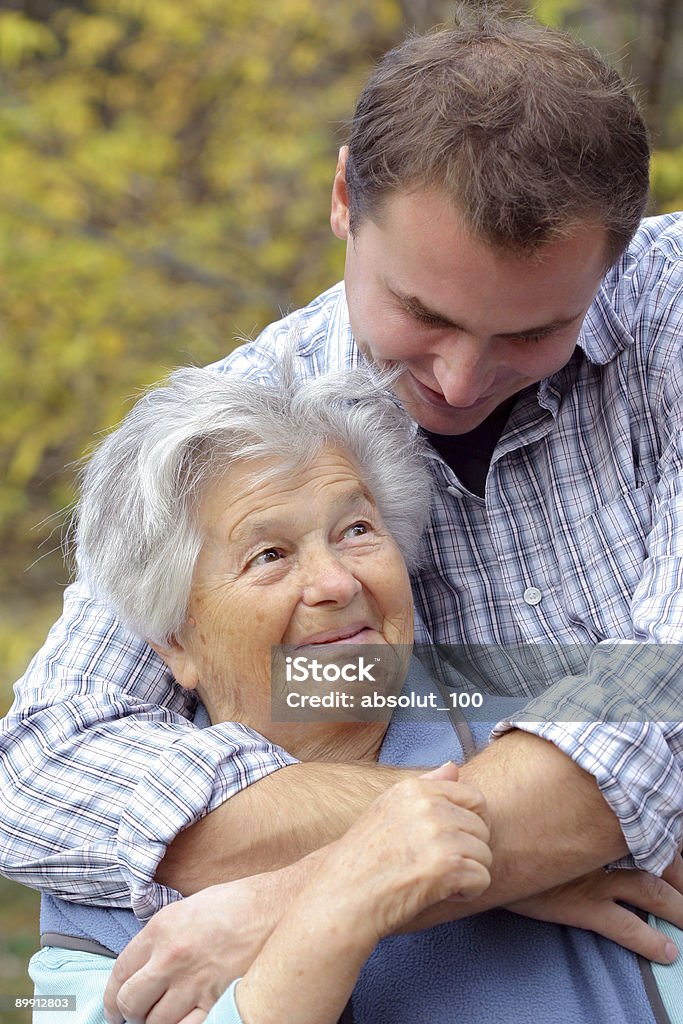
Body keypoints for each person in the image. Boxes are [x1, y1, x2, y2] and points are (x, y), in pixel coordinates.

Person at [2, 2, 683, 1014]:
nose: (458, 379)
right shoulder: (247, 436)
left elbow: (662, 710)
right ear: (339, 199)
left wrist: (287, 891)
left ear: (613, 257)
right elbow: (43, 768)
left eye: (532, 331)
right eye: (421, 314)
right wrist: (472, 852)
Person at [28, 363, 683, 1024]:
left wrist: (300, 892)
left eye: (357, 531)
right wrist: (344, 901)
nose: (334, 582)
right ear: (175, 643)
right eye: (269, 555)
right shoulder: (103, 892)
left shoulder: (558, 757)